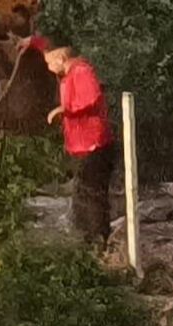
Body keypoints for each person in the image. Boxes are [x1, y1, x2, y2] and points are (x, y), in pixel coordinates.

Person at [43, 45, 115, 245]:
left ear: (61, 56)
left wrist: (64, 110)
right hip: (83, 145)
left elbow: (91, 99)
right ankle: (89, 238)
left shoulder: (81, 71)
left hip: (94, 144)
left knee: (90, 192)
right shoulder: (68, 75)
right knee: (83, 191)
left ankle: (97, 239)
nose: (48, 67)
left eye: (49, 62)